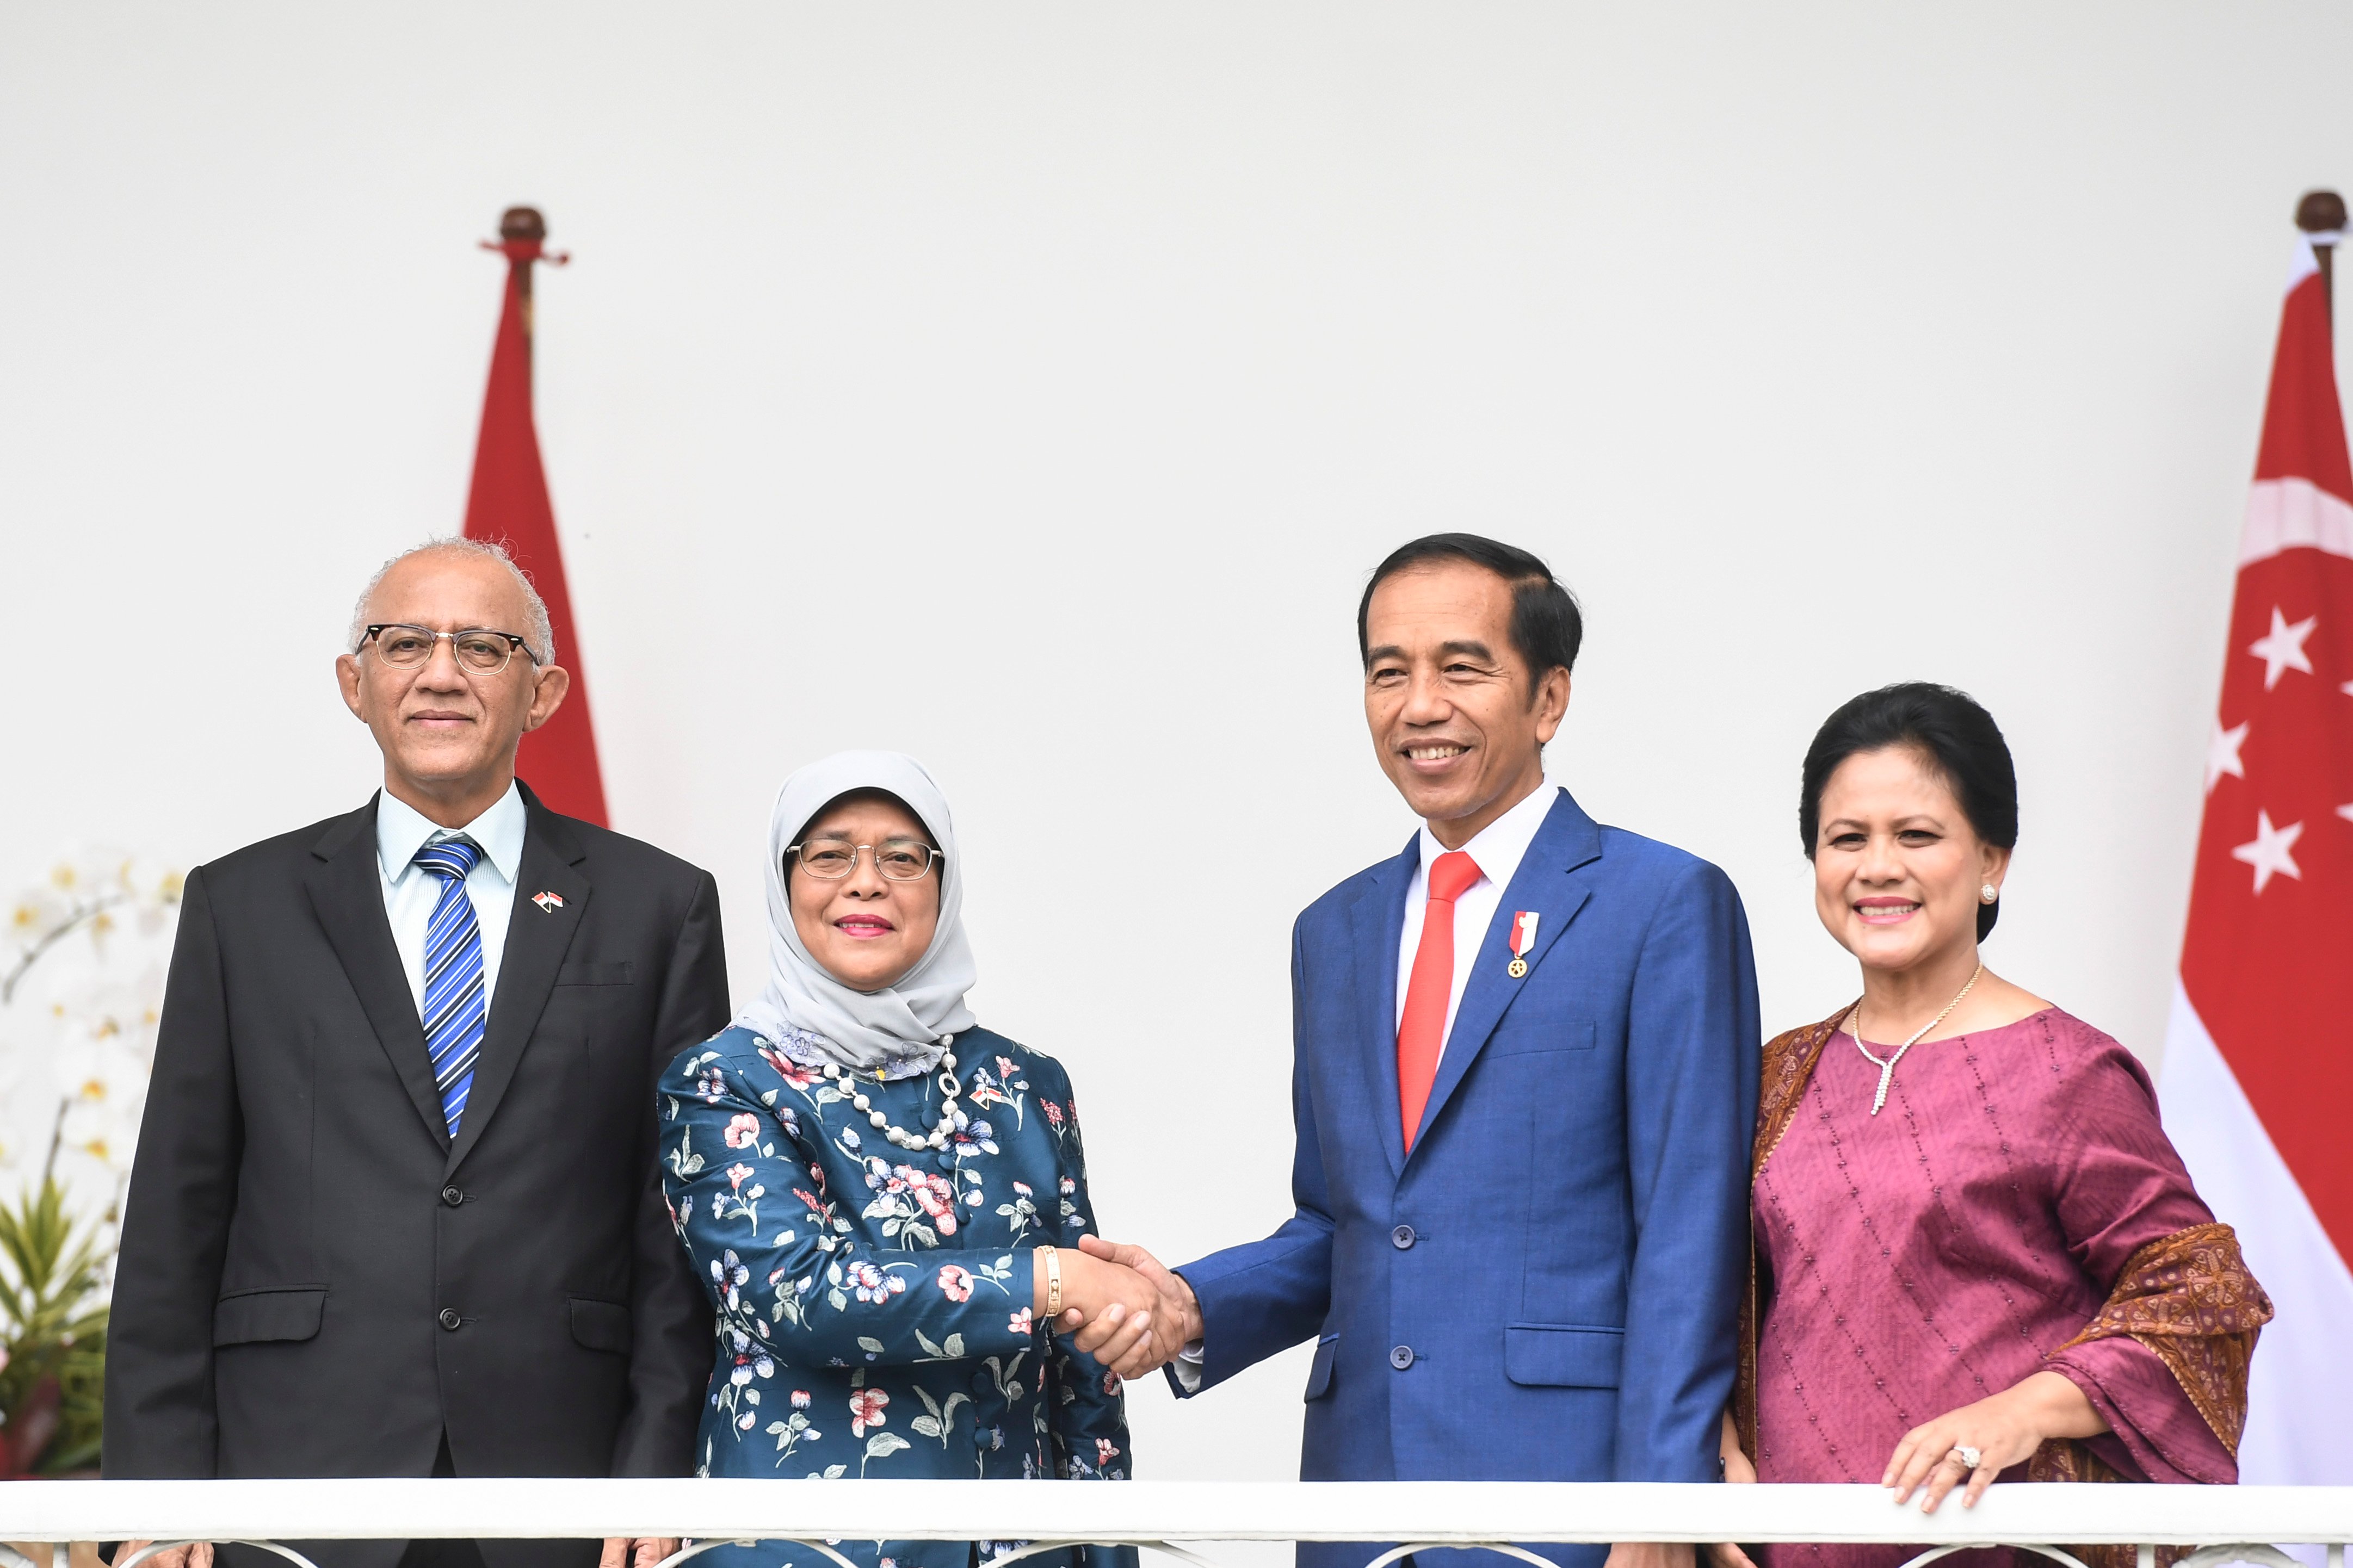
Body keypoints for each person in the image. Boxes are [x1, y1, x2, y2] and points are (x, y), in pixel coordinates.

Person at [1074, 534, 1761, 1568]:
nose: (1419, 704)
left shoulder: (1660, 904)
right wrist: (1191, 1305)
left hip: (1572, 1501)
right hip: (1362, 1498)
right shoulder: (1333, 931)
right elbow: (1352, 1224)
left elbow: (1686, 1228)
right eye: (1387, 671)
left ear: (1549, 699)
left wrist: (1662, 1503)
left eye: (1462, 666)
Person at [106, 538, 730, 1568]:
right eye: (405, 644)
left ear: (543, 692)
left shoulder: (657, 907)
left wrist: (657, 1470)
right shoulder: (242, 904)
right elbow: (177, 1216)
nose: (441, 673)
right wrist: (157, 1499)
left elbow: (673, 1233)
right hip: (294, 1478)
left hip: (559, 1486)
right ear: (355, 683)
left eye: (484, 647)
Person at [1718, 683, 2272, 1568]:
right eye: (1846, 839)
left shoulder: (2065, 1070)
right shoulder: (1776, 1072)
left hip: (1998, 1549)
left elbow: (2200, 1296)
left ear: (1991, 863)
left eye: (1917, 836)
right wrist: (1716, 1455)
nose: (1876, 867)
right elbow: (1712, 1299)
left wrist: (2020, 1412)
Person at [660, 751, 1147, 1568]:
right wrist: (1052, 1280)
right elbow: (802, 1300)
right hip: (803, 1551)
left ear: (942, 884)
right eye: (828, 854)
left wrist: (1104, 1553)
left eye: (901, 857)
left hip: (1018, 1554)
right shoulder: (724, 1082)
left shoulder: (1025, 1082)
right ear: (785, 885)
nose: (865, 882)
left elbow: (1082, 1367)